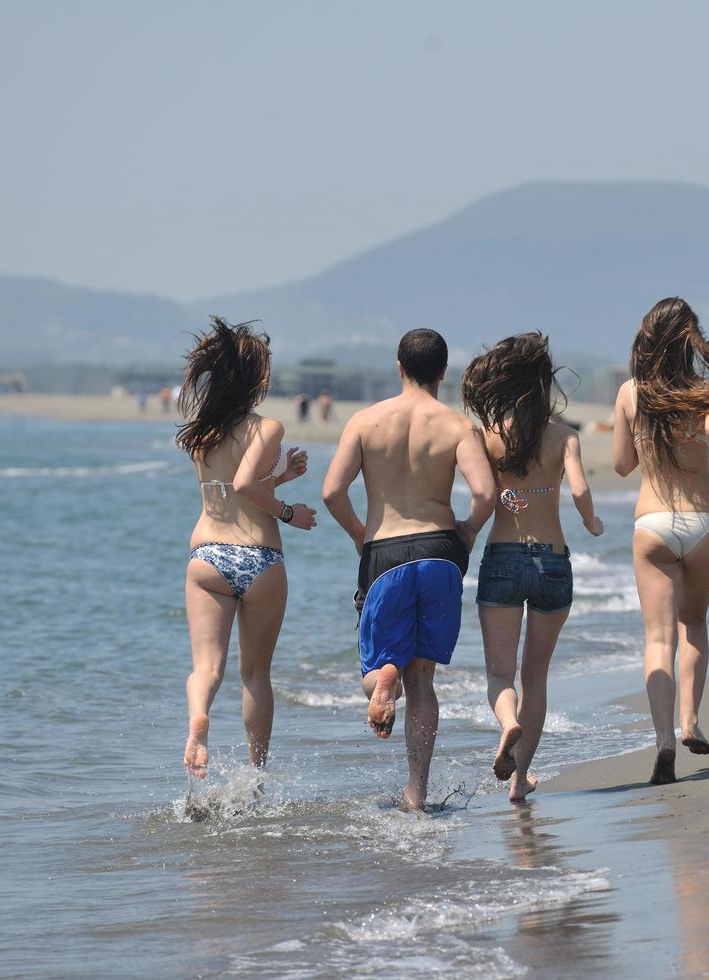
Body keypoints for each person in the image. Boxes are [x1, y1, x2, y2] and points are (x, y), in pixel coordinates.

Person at [321, 328, 497, 810]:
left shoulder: (364, 421)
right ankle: (416, 793)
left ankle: (384, 677)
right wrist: (467, 532)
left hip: (386, 552)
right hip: (441, 550)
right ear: (443, 372)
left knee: (380, 667)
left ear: (399, 367)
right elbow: (485, 494)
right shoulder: (456, 426)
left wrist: (361, 534)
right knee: (425, 680)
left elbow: (332, 492)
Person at [612, 298, 709, 785]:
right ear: (689, 341)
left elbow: (622, 466)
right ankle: (690, 720)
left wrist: (646, 442)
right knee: (694, 623)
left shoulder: (631, 393)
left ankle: (663, 743)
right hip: (703, 524)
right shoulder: (703, 392)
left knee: (659, 638)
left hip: (652, 522)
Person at [460, 333, 604, 803]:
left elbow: (483, 494)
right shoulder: (564, 436)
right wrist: (591, 520)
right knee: (535, 677)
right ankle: (520, 780)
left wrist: (462, 532)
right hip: (551, 560)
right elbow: (580, 490)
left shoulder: (488, 437)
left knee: (499, 676)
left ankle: (508, 723)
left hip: (501, 557)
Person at [177, 317, 318, 780]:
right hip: (258, 559)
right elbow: (244, 486)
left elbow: (229, 488)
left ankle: (199, 718)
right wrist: (287, 512)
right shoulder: (268, 428)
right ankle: (256, 776)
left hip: (208, 557)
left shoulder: (202, 431)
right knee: (255, 675)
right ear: (257, 379)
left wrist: (278, 480)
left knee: (206, 668)